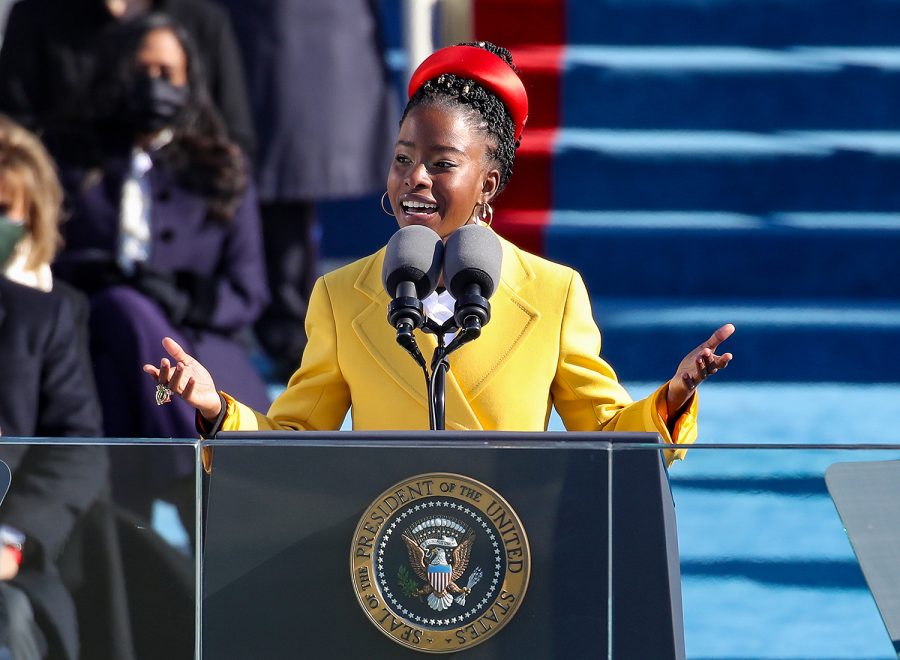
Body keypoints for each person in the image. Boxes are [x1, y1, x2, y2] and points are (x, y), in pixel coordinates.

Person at [144, 42, 734, 456]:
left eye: (442, 164)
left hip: (513, 559)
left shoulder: (553, 294)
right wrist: (216, 410)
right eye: (403, 159)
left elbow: (607, 432)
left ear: (489, 183)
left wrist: (673, 394)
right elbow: (297, 439)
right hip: (389, 565)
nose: (414, 179)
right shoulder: (342, 294)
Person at [48, 14, 269, 524]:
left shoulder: (222, 168)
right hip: (94, 340)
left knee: (130, 386)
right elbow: (42, 263)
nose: (154, 84)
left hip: (200, 342)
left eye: (168, 72)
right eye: (140, 69)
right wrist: (102, 277)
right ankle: (191, 475)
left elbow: (248, 291)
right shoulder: (67, 161)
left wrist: (181, 296)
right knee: (122, 309)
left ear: (189, 80)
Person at [214, 0, 398, 380]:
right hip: (261, 41)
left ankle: (292, 330)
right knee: (279, 188)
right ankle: (290, 329)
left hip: (274, 44)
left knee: (283, 190)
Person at [0, 117, 107, 660]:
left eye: (4, 210)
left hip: (16, 566)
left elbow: (76, 444)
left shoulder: (52, 313)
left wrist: (9, 538)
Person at [0, 0, 254, 155]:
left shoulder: (203, 21)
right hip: (69, 214)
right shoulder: (37, 18)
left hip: (183, 218)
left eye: (164, 72)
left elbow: (234, 139)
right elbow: (14, 132)